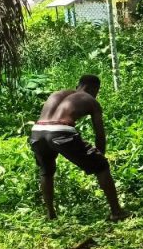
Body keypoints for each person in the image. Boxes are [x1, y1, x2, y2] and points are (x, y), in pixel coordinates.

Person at [29, 75, 127, 221]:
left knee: (46, 172)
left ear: (78, 85)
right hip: (60, 130)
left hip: (37, 131)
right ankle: (117, 212)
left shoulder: (57, 94)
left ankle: (51, 214)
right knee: (101, 165)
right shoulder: (91, 100)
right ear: (94, 88)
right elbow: (100, 134)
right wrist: (100, 158)